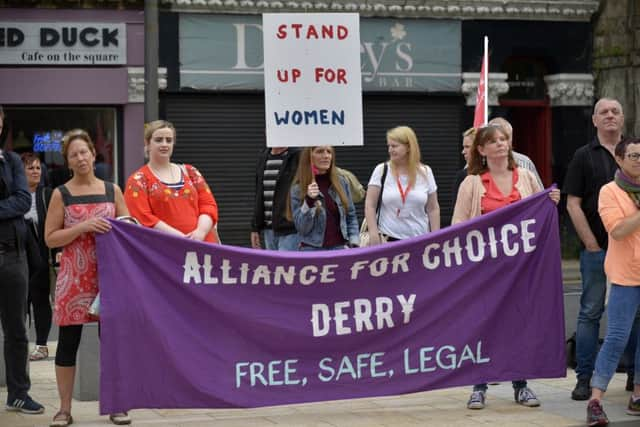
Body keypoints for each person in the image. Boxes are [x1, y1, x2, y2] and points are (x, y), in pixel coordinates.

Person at [452, 123, 560, 410]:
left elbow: (542, 210)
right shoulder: (471, 183)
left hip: (521, 269)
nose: (501, 144)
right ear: (481, 149)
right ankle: (479, 386)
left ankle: (521, 385)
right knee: (484, 325)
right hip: (485, 270)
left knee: (519, 325)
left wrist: (552, 200)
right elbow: (459, 226)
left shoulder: (524, 176)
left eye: (504, 139)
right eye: (494, 140)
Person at [44, 129, 130, 426]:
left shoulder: (112, 190)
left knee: (113, 343)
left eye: (84, 152)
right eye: (73, 154)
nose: (80, 158)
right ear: (67, 161)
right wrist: (83, 226)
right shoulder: (61, 194)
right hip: (74, 277)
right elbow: (51, 238)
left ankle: (117, 405)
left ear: (94, 154)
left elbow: (128, 226)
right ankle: (64, 409)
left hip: (110, 278)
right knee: (68, 342)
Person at [563, 98, 637, 401]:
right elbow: (573, 203)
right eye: (603, 112)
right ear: (594, 120)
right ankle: (585, 378)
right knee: (591, 313)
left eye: (615, 111)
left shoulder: (635, 151)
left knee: (634, 318)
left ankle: (634, 377)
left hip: (633, 254)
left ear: (622, 118)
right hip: (598, 250)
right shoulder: (583, 156)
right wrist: (592, 245)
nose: (610, 116)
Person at [585, 137, 640, 425]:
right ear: (619, 160)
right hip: (624, 275)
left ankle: (637, 397)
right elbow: (617, 231)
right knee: (617, 337)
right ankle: (595, 400)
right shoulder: (610, 191)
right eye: (633, 155)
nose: (639, 160)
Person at [0, 106, 45, 414]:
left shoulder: (12, 160)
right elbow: (12, 203)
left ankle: (18, 393)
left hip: (13, 255)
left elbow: (22, 199)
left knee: (16, 328)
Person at [124, 120, 219, 243]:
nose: (164, 144)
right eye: (158, 140)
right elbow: (142, 217)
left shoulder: (191, 172)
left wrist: (200, 232)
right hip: (165, 251)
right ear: (147, 143)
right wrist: (180, 237)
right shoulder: (137, 180)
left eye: (169, 140)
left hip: (202, 248)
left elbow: (208, 205)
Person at [365, 125, 440, 244]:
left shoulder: (426, 172)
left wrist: (436, 236)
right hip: (387, 239)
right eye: (389, 146)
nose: (390, 150)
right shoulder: (381, 170)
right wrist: (374, 234)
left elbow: (433, 208)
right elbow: (370, 205)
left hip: (419, 239)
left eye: (394, 146)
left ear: (408, 147)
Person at [289, 145, 359, 250]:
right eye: (320, 151)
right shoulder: (298, 189)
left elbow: (351, 216)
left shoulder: (341, 182)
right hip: (312, 251)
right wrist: (309, 201)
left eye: (329, 152)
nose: (326, 156)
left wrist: (354, 242)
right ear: (309, 156)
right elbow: (302, 228)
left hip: (340, 249)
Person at [21, 152, 54, 361]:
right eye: (30, 168)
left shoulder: (47, 195)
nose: (35, 171)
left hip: (41, 258)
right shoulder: (14, 195)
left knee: (41, 301)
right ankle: (19, 345)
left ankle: (42, 345)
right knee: (19, 303)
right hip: (18, 258)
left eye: (38, 168)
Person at [250, 146, 300, 250]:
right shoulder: (264, 155)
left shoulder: (297, 156)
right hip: (269, 229)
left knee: (286, 265)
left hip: (290, 230)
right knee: (273, 266)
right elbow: (259, 193)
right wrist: (255, 227)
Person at [488, 117, 543, 187]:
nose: (501, 143)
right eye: (496, 139)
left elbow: (540, 195)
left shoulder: (525, 162)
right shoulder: (477, 165)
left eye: (507, 137)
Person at [452, 127, 476, 202]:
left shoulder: (497, 174)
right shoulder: (462, 176)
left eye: (467, 147)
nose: (463, 152)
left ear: (480, 148)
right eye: (464, 147)